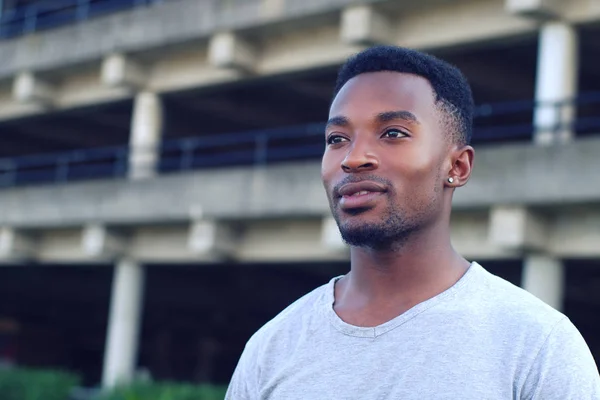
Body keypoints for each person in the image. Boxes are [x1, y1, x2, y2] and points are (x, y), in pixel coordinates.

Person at [225, 45, 600, 399]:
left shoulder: (538, 345)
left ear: (457, 166)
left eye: (393, 133)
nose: (353, 158)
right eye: (337, 138)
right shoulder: (271, 347)